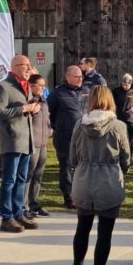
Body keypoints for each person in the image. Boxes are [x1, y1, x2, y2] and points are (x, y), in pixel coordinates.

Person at [67, 85, 131, 265]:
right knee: (105, 232)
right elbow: (125, 158)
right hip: (108, 181)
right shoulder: (118, 126)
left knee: (82, 228)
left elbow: (72, 157)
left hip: (84, 180)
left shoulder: (79, 125)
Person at [0, 55, 39, 233]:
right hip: (12, 141)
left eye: (29, 65)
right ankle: (7, 217)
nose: (29, 68)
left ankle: (18, 213)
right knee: (9, 181)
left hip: (26, 140)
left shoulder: (25, 86)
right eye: (26, 66)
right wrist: (23, 109)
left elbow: (22, 113)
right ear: (15, 67)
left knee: (21, 180)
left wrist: (32, 110)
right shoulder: (3, 87)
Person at [49, 65, 88, 209]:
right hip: (65, 136)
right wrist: (54, 127)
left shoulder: (86, 91)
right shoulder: (58, 93)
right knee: (66, 166)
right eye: (77, 77)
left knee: (82, 166)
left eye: (81, 77)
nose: (80, 79)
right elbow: (49, 112)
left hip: (84, 136)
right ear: (67, 77)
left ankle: (82, 195)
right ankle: (68, 197)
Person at [26, 74, 51, 217]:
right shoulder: (30, 101)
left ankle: (34, 204)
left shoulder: (44, 102)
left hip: (43, 143)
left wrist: (49, 128)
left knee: (38, 176)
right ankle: (24, 206)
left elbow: (47, 120)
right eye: (40, 85)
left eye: (44, 85)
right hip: (32, 144)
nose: (43, 88)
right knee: (28, 176)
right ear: (32, 85)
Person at [113, 73, 133, 149]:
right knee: (118, 139)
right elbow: (111, 103)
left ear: (131, 83)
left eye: (127, 84)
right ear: (122, 83)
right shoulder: (116, 91)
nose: (126, 86)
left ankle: (129, 157)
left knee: (130, 139)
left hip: (130, 120)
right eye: (124, 84)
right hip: (119, 119)